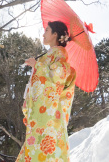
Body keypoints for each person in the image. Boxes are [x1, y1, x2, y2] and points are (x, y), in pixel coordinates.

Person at [17, 21, 77, 162]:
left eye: (47, 30)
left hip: (48, 114)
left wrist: (37, 65)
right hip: (41, 113)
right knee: (37, 147)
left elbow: (58, 75)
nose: (43, 34)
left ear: (55, 34)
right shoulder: (50, 54)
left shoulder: (60, 54)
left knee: (43, 148)